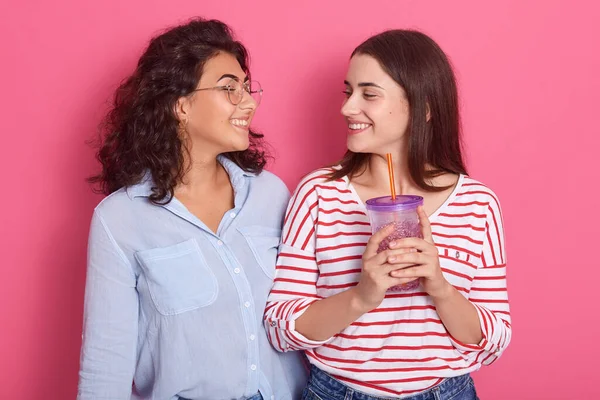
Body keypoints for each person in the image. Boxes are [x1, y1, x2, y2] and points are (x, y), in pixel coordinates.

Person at [264, 29, 511, 399]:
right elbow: (280, 328)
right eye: (348, 91)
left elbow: (494, 340)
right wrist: (361, 297)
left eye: (369, 94)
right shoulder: (318, 194)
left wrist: (440, 287)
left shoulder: (477, 204)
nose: (347, 108)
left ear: (423, 106)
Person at [78, 18, 306, 400]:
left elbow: (304, 310)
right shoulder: (119, 220)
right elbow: (106, 362)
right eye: (229, 89)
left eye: (247, 88)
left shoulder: (271, 195)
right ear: (180, 105)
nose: (248, 102)